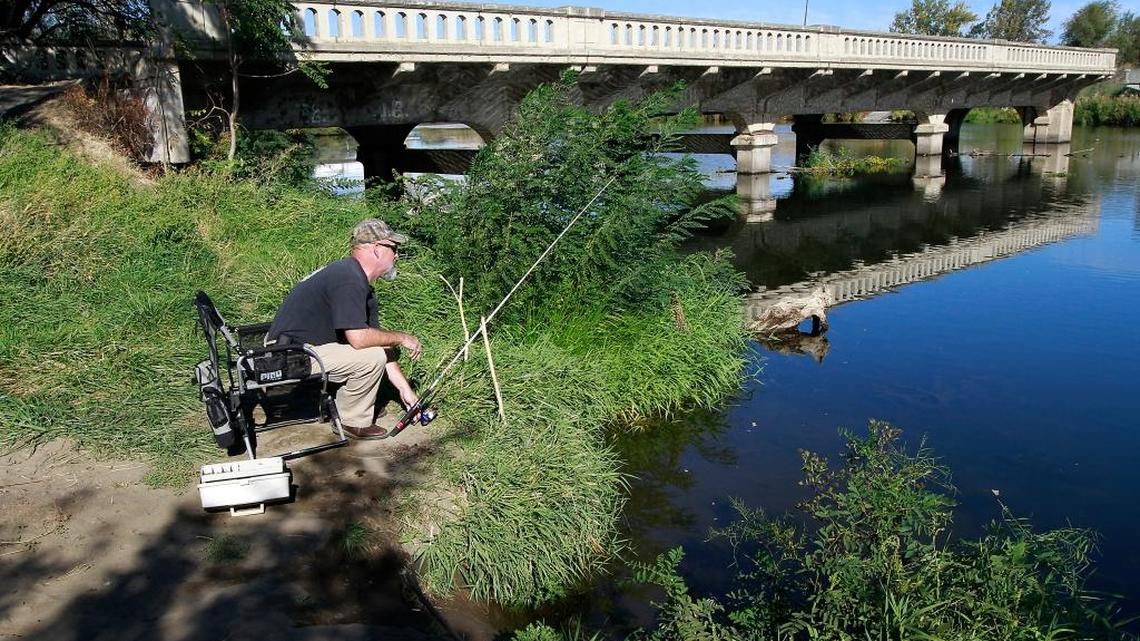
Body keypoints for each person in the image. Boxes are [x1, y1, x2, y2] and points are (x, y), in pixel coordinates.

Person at [267, 219, 423, 439]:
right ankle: (352, 421)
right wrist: (403, 338)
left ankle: (354, 405)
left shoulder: (353, 276)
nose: (397, 255)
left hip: (298, 349)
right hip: (288, 356)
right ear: (377, 249)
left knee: (376, 350)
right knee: (372, 357)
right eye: (394, 248)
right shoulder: (348, 279)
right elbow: (360, 340)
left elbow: (378, 339)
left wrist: (405, 390)